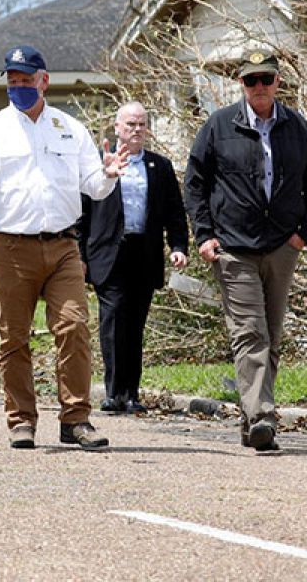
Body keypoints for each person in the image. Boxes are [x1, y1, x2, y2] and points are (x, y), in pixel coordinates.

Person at [0, 45, 128, 451]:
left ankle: (76, 419)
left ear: (44, 81)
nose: (18, 87)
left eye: (25, 80)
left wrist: (108, 174)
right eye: (12, 81)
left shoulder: (71, 129)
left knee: (73, 327)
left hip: (63, 247)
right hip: (11, 250)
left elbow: (93, 184)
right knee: (13, 338)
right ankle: (21, 421)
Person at [183, 50, 307, 453]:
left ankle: (251, 420)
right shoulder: (218, 125)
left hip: (282, 245)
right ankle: (263, 416)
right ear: (240, 85)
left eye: (266, 79)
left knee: (272, 336)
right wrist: (204, 235)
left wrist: (305, 231)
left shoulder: (296, 127)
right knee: (251, 334)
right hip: (234, 248)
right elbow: (195, 183)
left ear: (278, 81)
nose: (259, 87)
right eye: (251, 80)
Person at [78, 103, 188, 414]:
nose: (136, 129)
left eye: (141, 124)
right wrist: (79, 253)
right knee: (113, 320)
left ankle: (132, 392)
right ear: (116, 128)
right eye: (130, 124)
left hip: (145, 252)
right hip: (108, 252)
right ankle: (114, 392)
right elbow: (81, 214)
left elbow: (174, 212)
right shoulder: (98, 165)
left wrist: (178, 246)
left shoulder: (160, 166)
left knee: (135, 324)